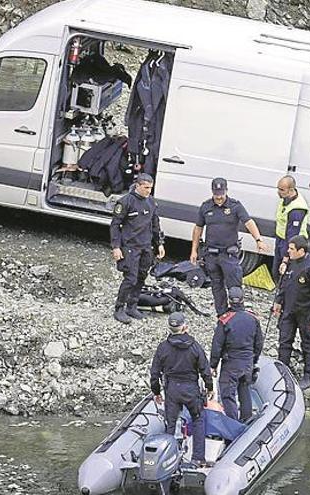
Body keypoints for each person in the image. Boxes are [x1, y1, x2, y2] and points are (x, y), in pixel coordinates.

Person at [190, 178, 267, 315]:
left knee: (234, 287)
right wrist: (194, 251)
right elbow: (198, 228)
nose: (219, 197)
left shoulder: (235, 206)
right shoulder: (205, 206)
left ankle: (238, 314)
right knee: (217, 286)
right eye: (216, 194)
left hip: (229, 254)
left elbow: (248, 222)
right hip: (211, 255)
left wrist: (258, 239)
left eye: (221, 193)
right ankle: (222, 314)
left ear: (226, 190)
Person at [150, 312, 214, 467]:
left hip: (172, 389)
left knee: (171, 423)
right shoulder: (194, 346)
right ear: (185, 326)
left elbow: (154, 373)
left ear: (169, 328)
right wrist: (209, 387)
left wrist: (157, 392)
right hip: (190, 388)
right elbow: (205, 369)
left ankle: (167, 458)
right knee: (198, 420)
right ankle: (198, 458)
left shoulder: (163, 348)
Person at [272, 235, 310, 390]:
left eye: (291, 249)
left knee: (308, 344)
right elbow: (284, 283)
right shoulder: (291, 262)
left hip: (306, 312)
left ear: (301, 251)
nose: (288, 251)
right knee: (284, 341)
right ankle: (283, 371)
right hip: (289, 310)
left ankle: (308, 375)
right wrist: (278, 301)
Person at [110, 173, 165, 324]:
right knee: (130, 278)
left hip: (146, 246)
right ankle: (119, 308)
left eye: (150, 188)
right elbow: (115, 225)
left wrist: (159, 244)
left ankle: (132, 306)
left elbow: (155, 225)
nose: (148, 191)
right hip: (130, 247)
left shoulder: (151, 203)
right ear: (138, 186)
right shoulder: (126, 202)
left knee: (141, 276)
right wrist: (116, 247)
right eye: (146, 188)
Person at [210, 287, 264, 422]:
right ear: (243, 300)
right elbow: (259, 343)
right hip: (247, 362)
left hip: (231, 363)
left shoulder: (225, 320)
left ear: (229, 301)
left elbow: (217, 345)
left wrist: (213, 365)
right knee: (245, 390)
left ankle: (232, 424)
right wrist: (254, 359)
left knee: (228, 395)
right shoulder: (253, 319)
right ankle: (247, 419)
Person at [273, 175, 310, 280]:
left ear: (290, 190)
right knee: (276, 272)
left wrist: (286, 258)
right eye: (278, 188)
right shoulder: (286, 198)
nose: (278, 192)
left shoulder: (297, 209)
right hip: (281, 239)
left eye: (281, 190)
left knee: (286, 275)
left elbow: (292, 235)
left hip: (294, 245)